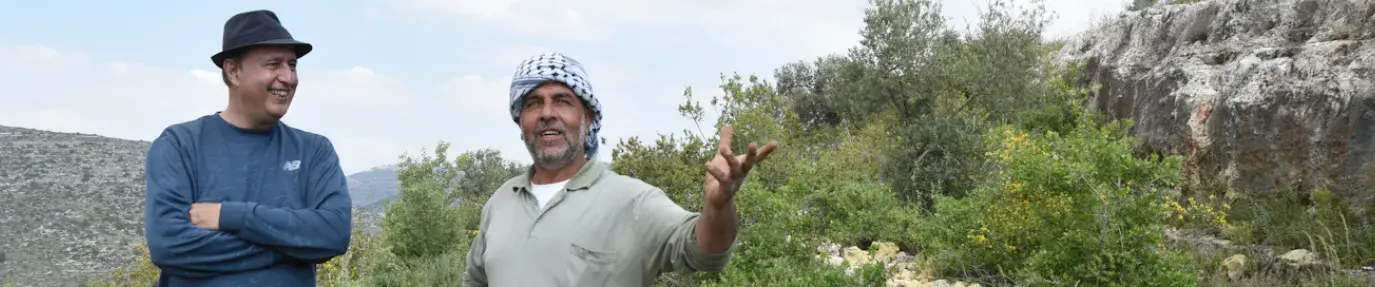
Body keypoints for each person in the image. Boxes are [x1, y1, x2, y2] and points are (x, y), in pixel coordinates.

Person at [461, 53, 779, 286]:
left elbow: (702, 252)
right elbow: (476, 279)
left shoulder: (632, 201)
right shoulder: (500, 203)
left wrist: (720, 206)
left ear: (587, 118)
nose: (547, 114)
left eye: (562, 101)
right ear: (520, 122)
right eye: (533, 103)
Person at [142, 9, 352, 286]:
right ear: (233, 71)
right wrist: (293, 248)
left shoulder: (314, 150)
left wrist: (232, 216)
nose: (288, 77)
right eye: (273, 64)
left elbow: (333, 234)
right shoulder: (180, 145)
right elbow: (170, 246)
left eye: (292, 64)